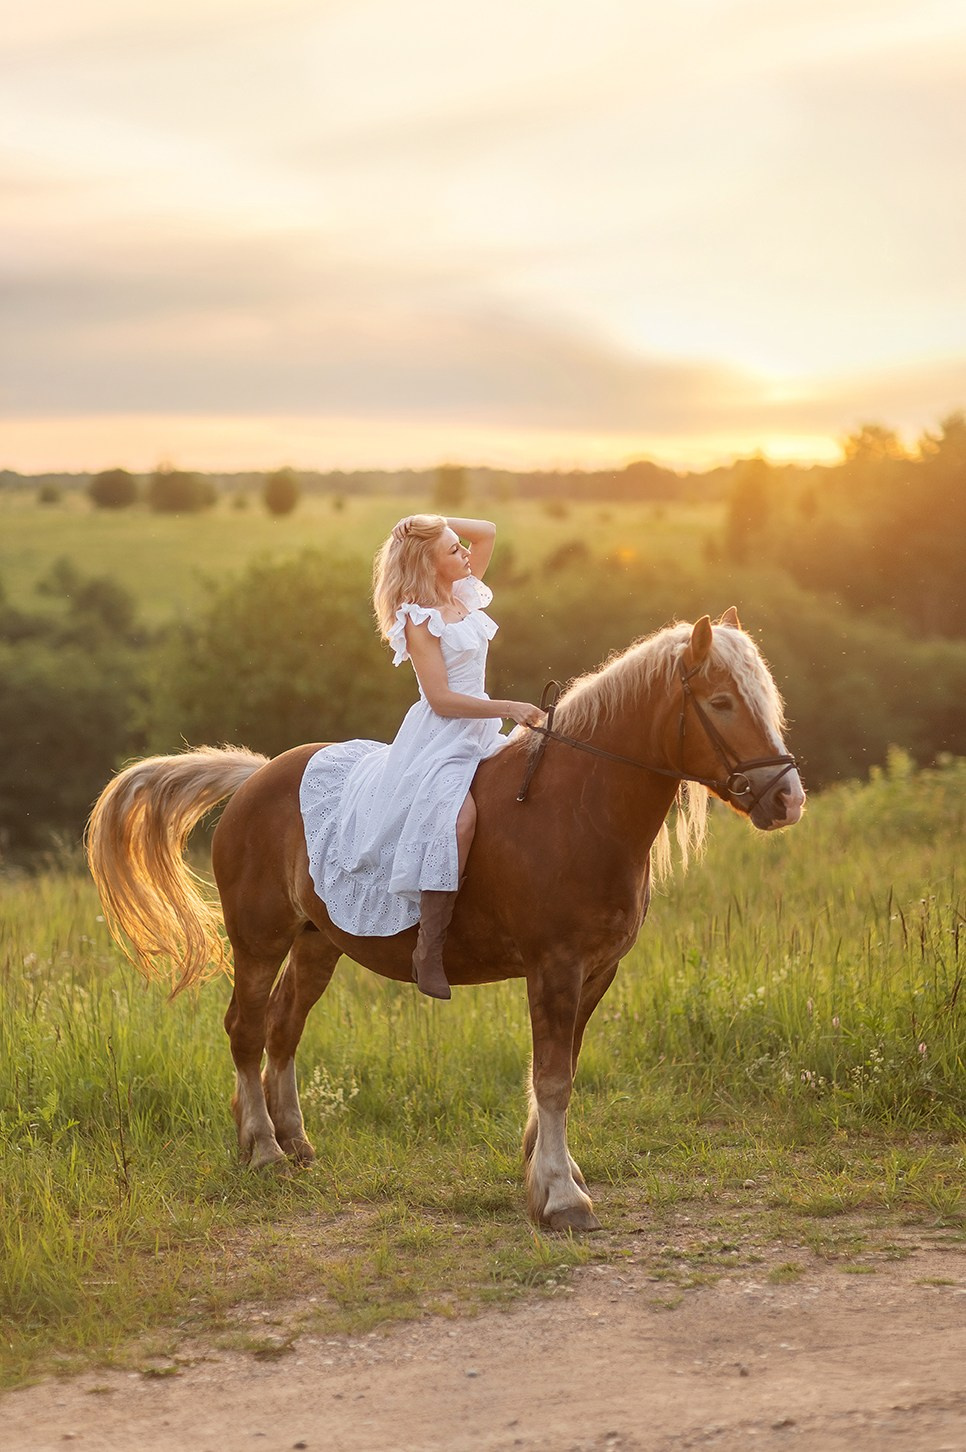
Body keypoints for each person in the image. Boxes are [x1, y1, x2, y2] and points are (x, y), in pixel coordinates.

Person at [299, 514, 544, 1000]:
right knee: (458, 821)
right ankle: (428, 950)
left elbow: (489, 530)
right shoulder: (418, 619)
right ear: (428, 565)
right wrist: (511, 706)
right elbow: (441, 700)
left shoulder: (467, 593)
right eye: (453, 551)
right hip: (442, 738)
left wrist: (429, 523)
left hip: (481, 732)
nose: (466, 555)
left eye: (460, 548)